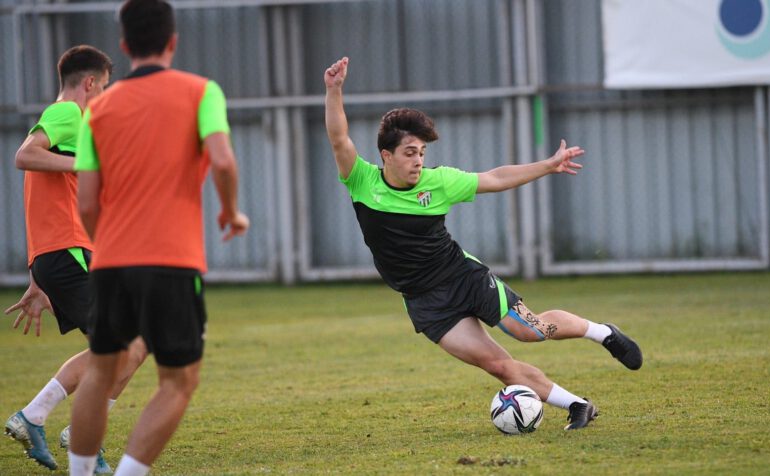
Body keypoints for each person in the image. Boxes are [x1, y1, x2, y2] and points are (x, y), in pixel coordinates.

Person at [324, 57, 642, 431]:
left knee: (532, 330)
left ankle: (602, 332)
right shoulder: (362, 181)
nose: (418, 161)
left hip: (464, 278)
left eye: (422, 153)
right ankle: (578, 405)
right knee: (498, 366)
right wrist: (334, 90)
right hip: (425, 302)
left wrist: (547, 165)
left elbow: (494, 178)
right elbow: (339, 138)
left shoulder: (439, 182)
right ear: (386, 155)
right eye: (410, 153)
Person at [68, 1, 249, 475]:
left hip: (109, 261)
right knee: (178, 380)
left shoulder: (98, 108)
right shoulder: (201, 91)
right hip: (171, 261)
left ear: (124, 46)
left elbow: (86, 202)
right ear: (173, 41)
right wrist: (231, 212)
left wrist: (107, 247)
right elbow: (223, 161)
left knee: (99, 372)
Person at [4, 45, 148, 473]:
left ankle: (65, 426)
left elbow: (43, 197)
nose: (102, 96)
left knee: (132, 343)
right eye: (102, 88)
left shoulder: (73, 123)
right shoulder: (67, 113)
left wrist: (37, 278)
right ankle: (55, 424)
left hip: (65, 254)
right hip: (65, 253)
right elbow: (24, 155)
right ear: (88, 83)